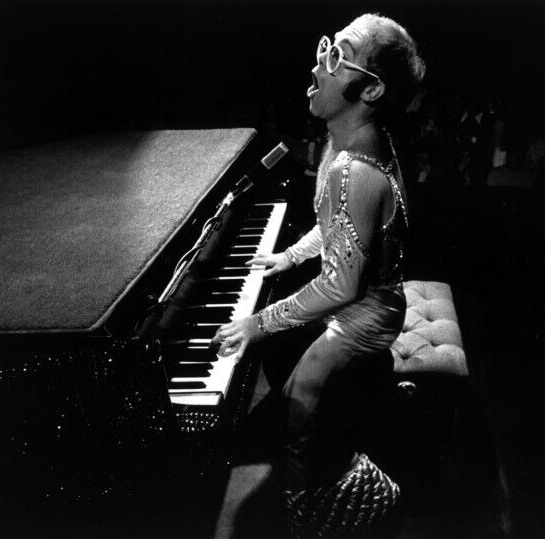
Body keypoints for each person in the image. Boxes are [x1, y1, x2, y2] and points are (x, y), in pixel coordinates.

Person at [211, 13, 425, 536]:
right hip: (364, 295)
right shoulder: (349, 145)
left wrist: (256, 322)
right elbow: (336, 231)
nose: (317, 65)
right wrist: (290, 258)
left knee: (300, 411)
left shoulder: (353, 169)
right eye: (324, 47)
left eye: (335, 56)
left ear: (368, 88)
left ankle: (322, 509)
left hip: (367, 315)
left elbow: (341, 285)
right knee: (284, 360)